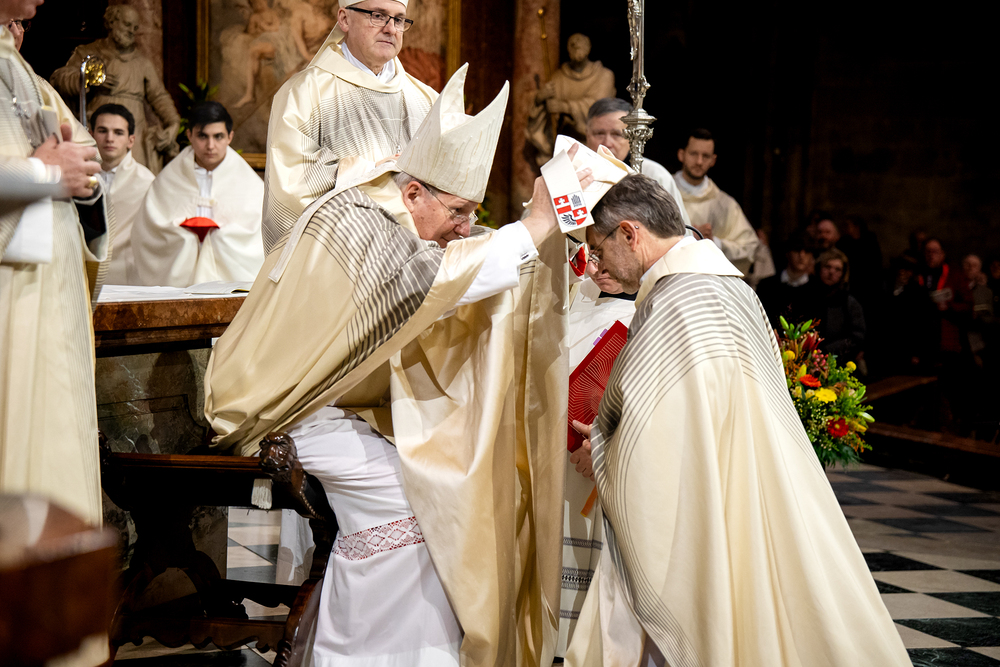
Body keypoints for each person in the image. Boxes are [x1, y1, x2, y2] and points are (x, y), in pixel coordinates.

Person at [205, 65, 570, 665]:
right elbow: (431, 284)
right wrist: (533, 227)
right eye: (458, 211)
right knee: (420, 498)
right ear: (414, 192)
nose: (464, 228)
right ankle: (356, 655)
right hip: (279, 410)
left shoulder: (389, 212)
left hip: (322, 403)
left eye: (472, 214)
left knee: (437, 483)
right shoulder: (361, 221)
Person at [563, 173, 910, 667]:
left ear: (629, 233)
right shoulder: (734, 288)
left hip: (700, 498)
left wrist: (599, 451)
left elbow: (649, 431)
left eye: (599, 250)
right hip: (756, 480)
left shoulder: (673, 301)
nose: (599, 263)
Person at [2, 4, 113, 530]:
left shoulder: (25, 74)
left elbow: (86, 159)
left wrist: (83, 182)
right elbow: (51, 166)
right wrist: (43, 172)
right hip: (14, 299)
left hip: (50, 299)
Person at [262, 0, 437, 255]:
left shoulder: (427, 99)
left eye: (399, 19)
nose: (391, 29)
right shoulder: (304, 93)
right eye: (378, 16)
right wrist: (374, 173)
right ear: (344, 19)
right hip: (341, 259)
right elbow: (291, 186)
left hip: (417, 258)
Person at [131, 102, 264, 287]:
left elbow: (258, 236)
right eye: (202, 136)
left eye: (218, 136)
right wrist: (184, 237)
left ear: (230, 137)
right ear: (189, 136)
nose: (210, 145)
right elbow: (149, 229)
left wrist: (220, 239)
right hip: (180, 284)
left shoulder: (250, 184)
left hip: (229, 281)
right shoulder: (169, 179)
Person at [50, 5, 180, 174]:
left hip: (134, 134)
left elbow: (159, 96)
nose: (131, 31)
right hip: (98, 130)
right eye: (127, 24)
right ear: (111, 23)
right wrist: (89, 79)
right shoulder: (88, 53)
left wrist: (173, 122)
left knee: (134, 180)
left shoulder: (142, 63)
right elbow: (59, 79)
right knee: (93, 176)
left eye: (135, 27)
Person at [583, 97, 689, 228]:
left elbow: (679, 233)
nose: (607, 143)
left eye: (616, 134)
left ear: (631, 137)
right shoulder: (574, 172)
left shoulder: (655, 175)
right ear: (587, 135)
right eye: (599, 133)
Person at [673, 128, 759, 274]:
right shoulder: (662, 193)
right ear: (681, 155)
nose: (699, 161)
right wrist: (688, 237)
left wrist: (714, 243)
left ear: (713, 160)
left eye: (705, 156)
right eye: (694, 154)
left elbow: (749, 247)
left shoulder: (725, 204)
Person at [89, 104, 154, 284]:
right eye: (102, 131)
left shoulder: (147, 182)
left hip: (128, 274)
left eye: (118, 132)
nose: (109, 138)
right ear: (91, 135)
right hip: (82, 269)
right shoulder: (76, 176)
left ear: (130, 140)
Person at [526, 34, 616, 162]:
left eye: (581, 44)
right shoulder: (558, 77)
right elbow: (549, 115)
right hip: (566, 148)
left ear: (589, 48)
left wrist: (566, 107)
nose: (576, 45)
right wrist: (540, 100)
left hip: (595, 147)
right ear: (568, 50)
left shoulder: (603, 75)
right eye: (572, 45)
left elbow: (598, 107)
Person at [815, 249, 866, 362]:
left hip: (838, 361)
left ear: (843, 273)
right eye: (827, 267)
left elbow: (857, 337)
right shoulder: (805, 296)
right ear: (819, 268)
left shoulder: (849, 303)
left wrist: (826, 351)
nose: (831, 272)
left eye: (837, 269)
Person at [755, 235, 817, 328]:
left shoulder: (817, 289)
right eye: (797, 250)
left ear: (811, 256)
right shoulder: (767, 285)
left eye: (807, 252)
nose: (801, 256)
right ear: (788, 253)